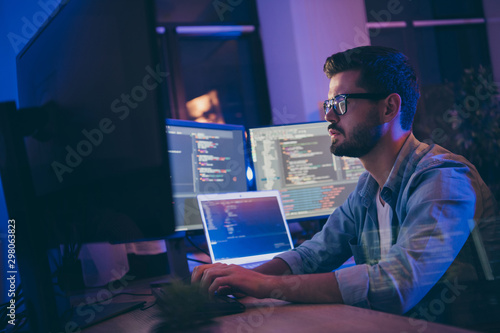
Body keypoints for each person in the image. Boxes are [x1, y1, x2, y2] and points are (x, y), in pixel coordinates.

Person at [191, 46, 498, 319]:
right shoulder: (368, 189)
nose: (328, 115)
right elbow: (313, 256)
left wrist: (266, 286)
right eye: (328, 104)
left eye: (339, 102)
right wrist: (240, 278)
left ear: (389, 108)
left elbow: (396, 286)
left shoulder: (443, 179)